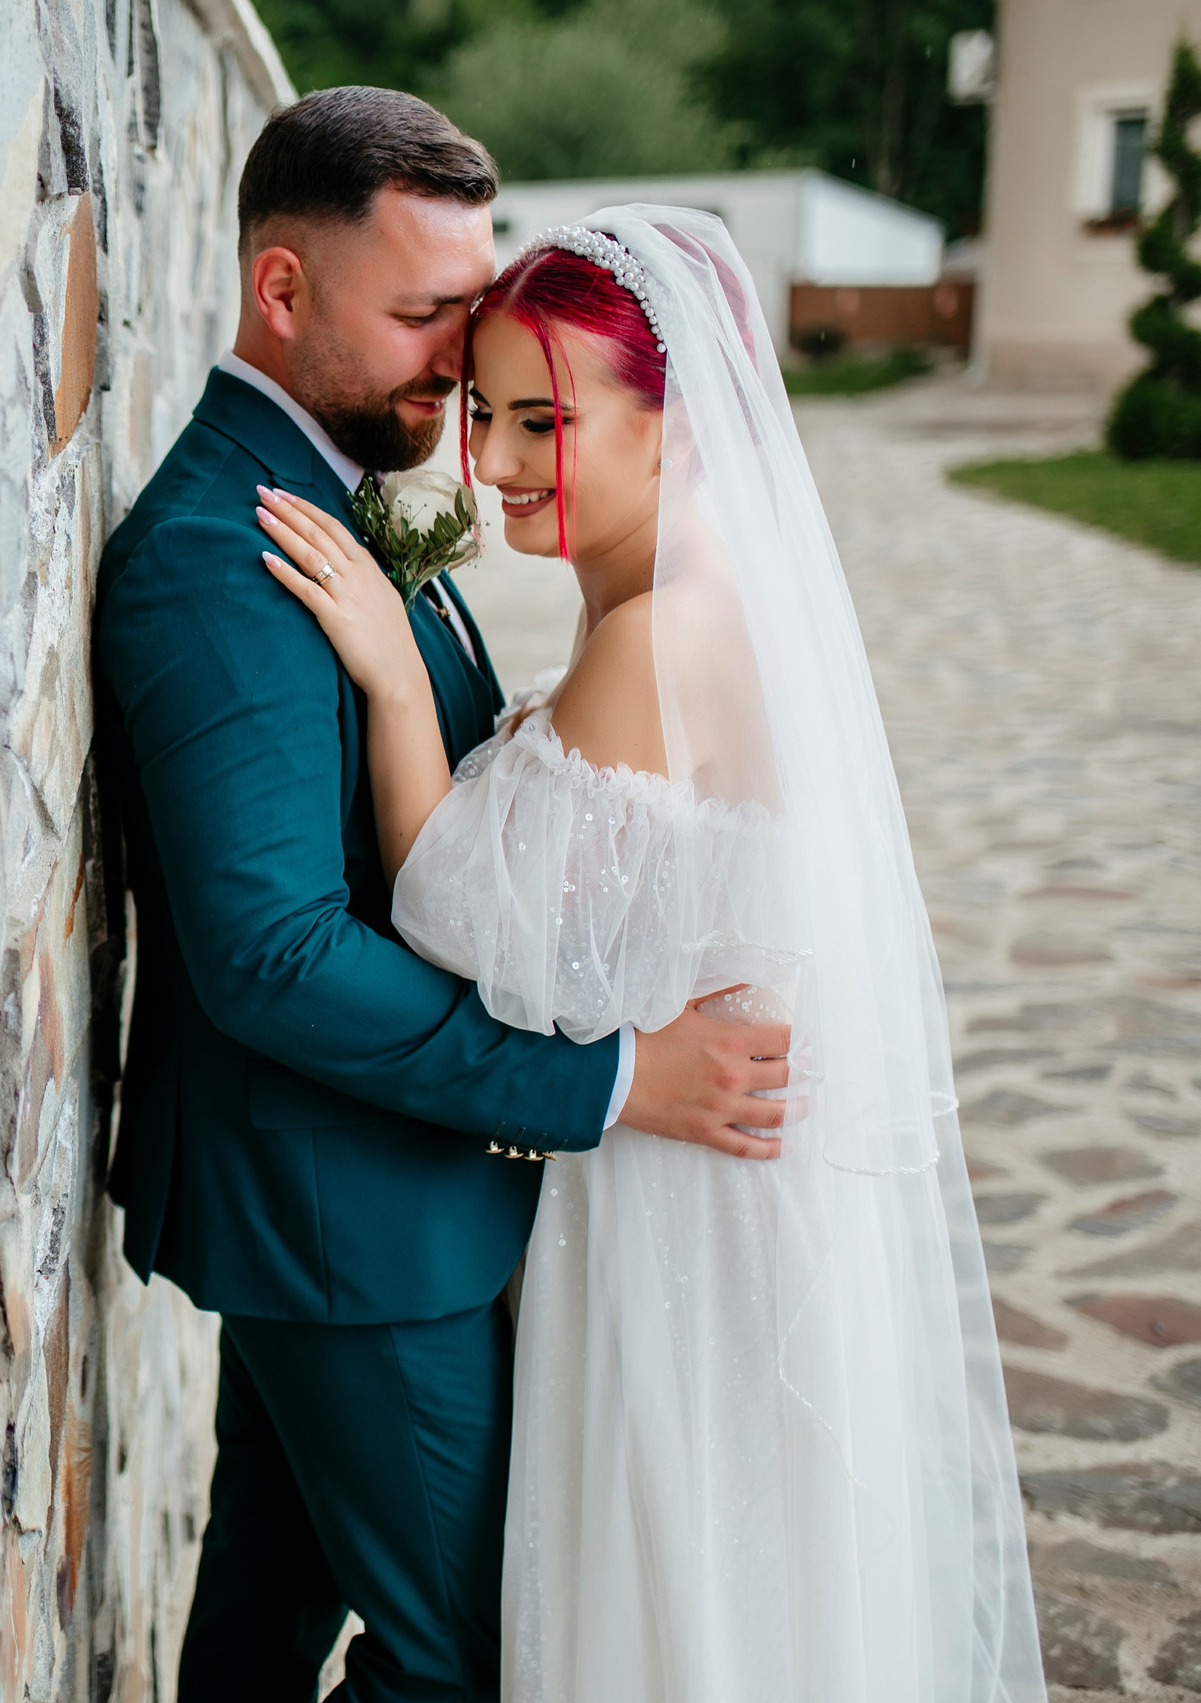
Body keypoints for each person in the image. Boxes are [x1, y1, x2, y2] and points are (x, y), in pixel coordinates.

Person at [254, 211, 1044, 1699]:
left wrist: (392, 678)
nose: (492, 461)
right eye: (485, 410)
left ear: (676, 422)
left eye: (543, 420)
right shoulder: (683, 598)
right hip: (713, 1169)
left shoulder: (663, 636)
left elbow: (459, 916)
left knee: (676, 1590)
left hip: (684, 1212)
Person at [93, 89, 795, 1701]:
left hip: (384, 1197)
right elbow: (273, 955)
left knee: (268, 1611)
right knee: (464, 1663)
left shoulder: (344, 489)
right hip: (345, 1210)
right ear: (282, 289)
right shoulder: (220, 553)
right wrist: (603, 1080)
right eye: (423, 315)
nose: (457, 366)